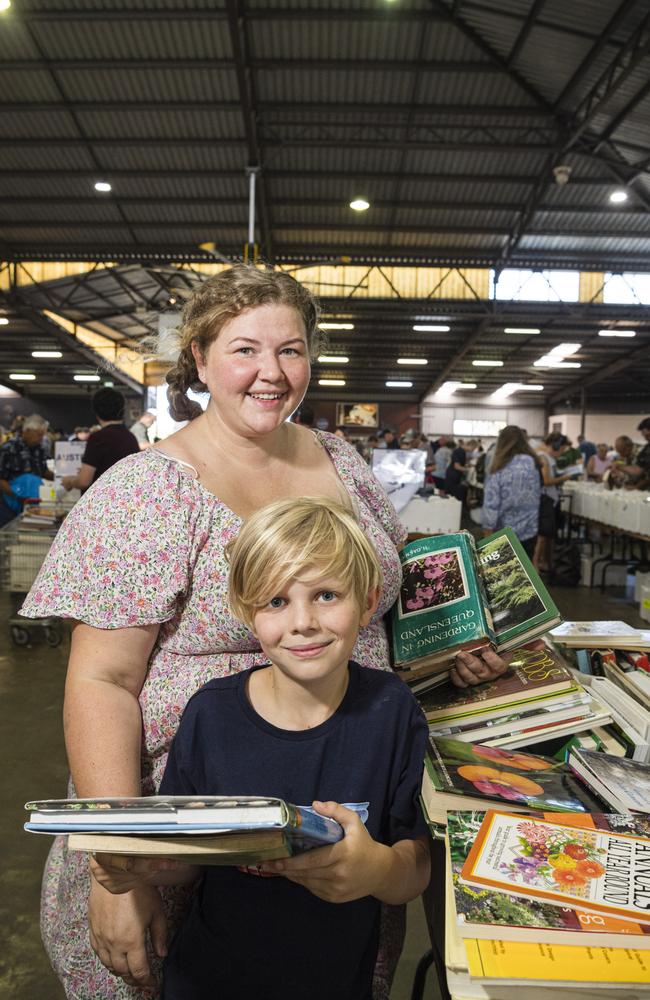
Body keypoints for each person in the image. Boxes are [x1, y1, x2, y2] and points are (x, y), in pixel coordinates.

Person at [21, 265, 507, 1000]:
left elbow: (381, 596)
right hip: (184, 836)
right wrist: (117, 869)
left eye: (290, 350)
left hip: (345, 804)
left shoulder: (341, 461)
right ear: (200, 359)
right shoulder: (148, 490)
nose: (270, 374)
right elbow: (102, 680)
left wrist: (451, 640)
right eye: (245, 349)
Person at [92, 497, 431, 1000]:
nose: (302, 622)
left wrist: (378, 868)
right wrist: (147, 865)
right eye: (276, 601)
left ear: (368, 600)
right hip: (207, 979)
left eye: (327, 595)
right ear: (246, 613)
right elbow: (191, 859)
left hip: (336, 983)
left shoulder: (394, 712)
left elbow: (417, 865)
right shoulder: (211, 715)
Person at [61, 388, 140, 491]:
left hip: (101, 501)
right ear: (122, 409)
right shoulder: (130, 437)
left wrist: (70, 481)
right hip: (124, 499)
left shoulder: (98, 438)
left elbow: (84, 481)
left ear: (96, 411)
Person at [481, 425, 542, 557]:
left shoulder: (499, 465)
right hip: (529, 530)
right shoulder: (533, 462)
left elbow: (491, 502)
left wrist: (487, 533)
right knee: (525, 574)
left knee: (504, 574)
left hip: (503, 532)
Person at [0, 413, 53, 527]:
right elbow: (1, 478)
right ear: (27, 431)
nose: (41, 439)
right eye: (39, 435)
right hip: (10, 504)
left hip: (33, 503)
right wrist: (16, 496)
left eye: (42, 435)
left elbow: (43, 471)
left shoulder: (40, 449)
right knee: (8, 535)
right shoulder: (8, 448)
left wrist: (61, 478)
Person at [534, 433, 574, 572]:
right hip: (545, 499)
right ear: (556, 446)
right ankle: (535, 565)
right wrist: (565, 477)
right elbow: (546, 481)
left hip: (548, 499)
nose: (562, 452)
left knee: (546, 535)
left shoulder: (546, 458)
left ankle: (543, 562)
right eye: (562, 449)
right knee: (543, 535)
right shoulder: (544, 458)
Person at [444, 439, 468, 503]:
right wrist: (468, 470)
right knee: (451, 495)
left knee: (451, 494)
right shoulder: (460, 451)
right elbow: (457, 466)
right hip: (453, 475)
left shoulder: (460, 451)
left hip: (452, 475)